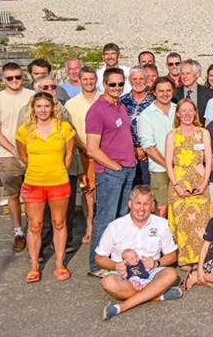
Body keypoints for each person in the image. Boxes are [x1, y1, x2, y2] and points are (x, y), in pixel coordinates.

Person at [97, 186, 181, 321]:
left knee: (171, 274)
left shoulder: (162, 224)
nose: (141, 209)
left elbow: (172, 255)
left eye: (146, 204)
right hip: (124, 275)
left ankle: (122, 306)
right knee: (108, 282)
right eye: (138, 203)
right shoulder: (115, 226)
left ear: (153, 206)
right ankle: (155, 295)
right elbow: (99, 257)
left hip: (151, 272)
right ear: (130, 204)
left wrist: (157, 263)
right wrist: (116, 266)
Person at [15, 92, 75, 282]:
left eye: (46, 106)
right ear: (33, 108)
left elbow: (69, 155)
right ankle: (34, 266)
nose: (43, 110)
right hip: (34, 182)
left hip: (59, 182)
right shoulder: (24, 131)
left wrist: (58, 171)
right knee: (35, 225)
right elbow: (23, 156)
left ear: (53, 107)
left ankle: (59, 263)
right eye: (39, 106)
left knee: (59, 223)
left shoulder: (64, 128)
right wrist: (38, 169)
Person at [85, 67, 138, 277]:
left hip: (127, 168)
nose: (117, 88)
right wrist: (114, 165)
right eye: (112, 84)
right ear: (104, 85)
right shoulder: (97, 111)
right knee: (105, 218)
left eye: (120, 84)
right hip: (111, 172)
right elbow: (92, 148)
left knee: (120, 218)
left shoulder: (120, 106)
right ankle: (96, 265)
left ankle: (114, 261)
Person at [0, 62, 36, 252]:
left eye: (18, 77)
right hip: (9, 155)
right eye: (10, 78)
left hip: (33, 153)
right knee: (13, 195)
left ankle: (35, 228)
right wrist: (14, 150)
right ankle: (18, 232)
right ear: (3, 80)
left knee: (35, 195)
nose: (15, 81)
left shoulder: (31, 96)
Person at [164, 99, 213, 270]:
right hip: (179, 181)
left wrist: (205, 182)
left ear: (195, 113)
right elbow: (168, 163)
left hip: (200, 181)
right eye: (183, 111)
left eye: (190, 111)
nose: (186, 114)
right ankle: (184, 258)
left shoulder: (203, 133)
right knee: (182, 222)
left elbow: (209, 159)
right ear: (177, 114)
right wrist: (176, 185)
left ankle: (200, 258)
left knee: (201, 221)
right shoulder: (172, 135)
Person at [65, 66, 99, 244]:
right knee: (88, 191)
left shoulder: (104, 99)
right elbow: (70, 130)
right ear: (79, 80)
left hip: (104, 152)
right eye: (85, 79)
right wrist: (83, 146)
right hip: (83, 151)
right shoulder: (71, 104)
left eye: (92, 79)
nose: (89, 82)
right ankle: (90, 226)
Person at [137, 78, 176, 217]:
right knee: (161, 209)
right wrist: (167, 164)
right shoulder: (146, 115)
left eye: (168, 90)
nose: (165, 94)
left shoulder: (179, 111)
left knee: (178, 208)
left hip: (180, 168)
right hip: (160, 169)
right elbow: (148, 146)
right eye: (161, 91)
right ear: (154, 92)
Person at [118, 67, 154, 187]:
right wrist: (133, 150)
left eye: (141, 78)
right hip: (128, 153)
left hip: (151, 153)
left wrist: (145, 149)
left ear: (147, 79)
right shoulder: (121, 102)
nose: (138, 82)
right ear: (129, 80)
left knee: (150, 190)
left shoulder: (155, 101)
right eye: (135, 79)